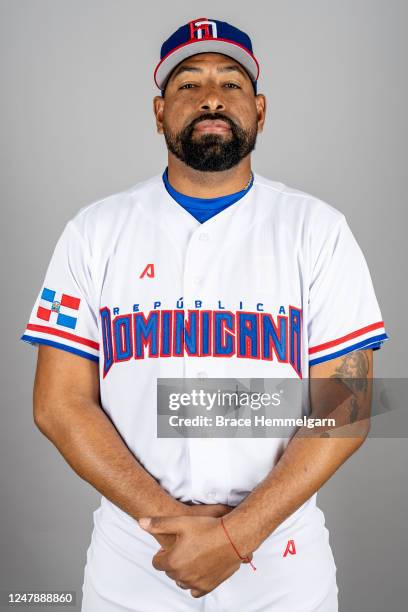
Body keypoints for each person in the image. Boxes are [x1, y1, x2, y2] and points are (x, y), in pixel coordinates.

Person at [20, 17, 389, 612]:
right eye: (188, 84)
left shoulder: (318, 230)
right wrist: (172, 524)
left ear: (261, 111)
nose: (211, 97)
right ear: (159, 111)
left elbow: (346, 408)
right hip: (136, 553)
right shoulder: (93, 232)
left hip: (279, 558)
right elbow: (57, 404)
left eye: (231, 84)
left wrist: (237, 536)